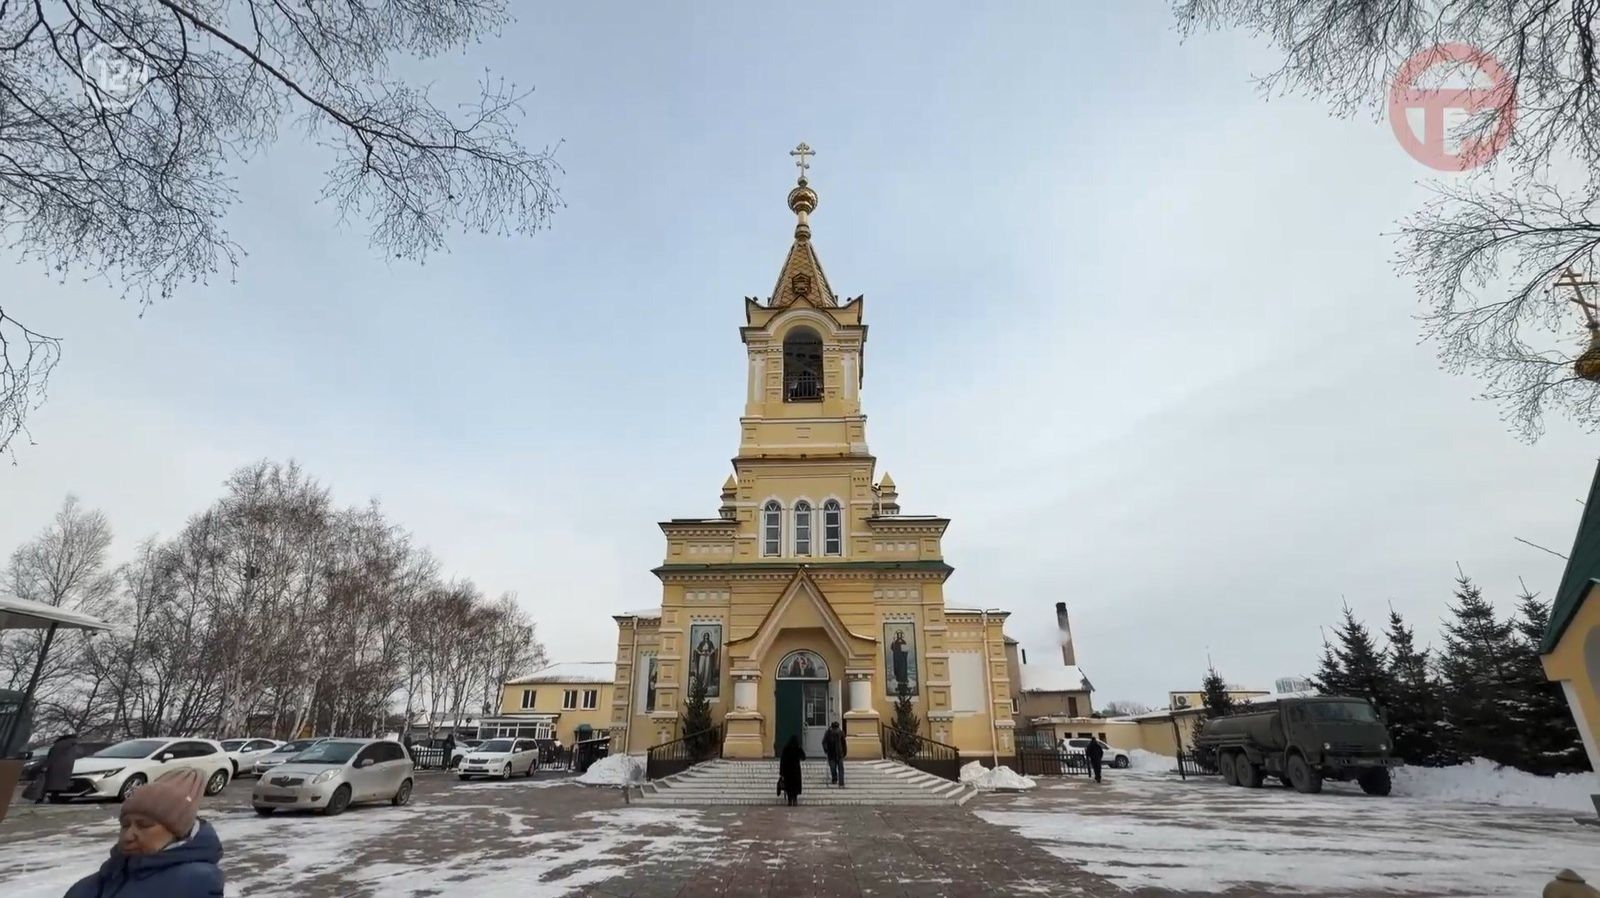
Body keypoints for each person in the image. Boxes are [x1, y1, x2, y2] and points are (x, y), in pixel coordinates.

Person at [63, 767, 224, 898]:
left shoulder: (194, 881)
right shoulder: (106, 876)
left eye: (144, 825)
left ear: (177, 832)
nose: (127, 836)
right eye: (125, 825)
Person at [34, 733, 78, 804]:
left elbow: (53, 756)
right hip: (66, 767)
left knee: (46, 783)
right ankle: (55, 798)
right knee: (58, 785)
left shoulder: (60, 744)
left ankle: (41, 798)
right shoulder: (73, 745)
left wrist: (45, 766)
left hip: (55, 767)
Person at [778, 735, 805, 806]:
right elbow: (803, 757)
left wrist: (781, 772)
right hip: (796, 771)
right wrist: (800, 749)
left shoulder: (786, 749)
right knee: (795, 786)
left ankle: (790, 801)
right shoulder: (797, 748)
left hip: (787, 771)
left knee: (789, 786)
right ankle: (795, 800)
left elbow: (782, 761)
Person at [821, 722, 846, 788]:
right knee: (838, 769)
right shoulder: (831, 733)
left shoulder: (837, 733)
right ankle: (839, 782)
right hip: (836, 753)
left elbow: (824, 742)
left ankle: (837, 781)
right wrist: (844, 752)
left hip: (834, 753)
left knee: (836, 768)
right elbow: (844, 743)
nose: (836, 730)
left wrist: (826, 750)